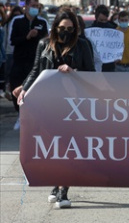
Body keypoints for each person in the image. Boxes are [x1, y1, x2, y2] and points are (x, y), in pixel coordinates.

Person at [15, 11, 95, 209]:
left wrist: (74, 71)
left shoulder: (82, 45)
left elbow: (92, 73)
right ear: (55, 28)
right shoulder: (44, 44)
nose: (66, 32)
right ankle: (55, 183)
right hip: (49, 101)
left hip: (74, 104)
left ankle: (63, 190)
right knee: (53, 146)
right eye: (62, 28)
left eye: (70, 29)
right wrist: (24, 88)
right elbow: (36, 70)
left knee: (69, 145)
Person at [9, 0, 48, 130]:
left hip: (35, 62)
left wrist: (36, 36)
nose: (35, 8)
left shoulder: (42, 22)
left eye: (37, 6)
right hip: (20, 60)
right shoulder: (17, 21)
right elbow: (12, 40)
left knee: (33, 89)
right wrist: (27, 36)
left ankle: (32, 116)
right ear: (26, 6)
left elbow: (47, 41)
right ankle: (20, 114)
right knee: (16, 87)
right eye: (33, 5)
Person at [2, 6, 23, 101]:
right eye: (15, 15)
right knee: (8, 73)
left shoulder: (22, 23)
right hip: (9, 52)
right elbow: (6, 40)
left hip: (18, 52)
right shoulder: (7, 24)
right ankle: (8, 90)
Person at [91, 4, 117, 72]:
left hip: (109, 65)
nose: (103, 22)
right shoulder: (90, 31)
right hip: (94, 65)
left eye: (105, 20)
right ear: (96, 18)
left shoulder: (113, 29)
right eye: (101, 20)